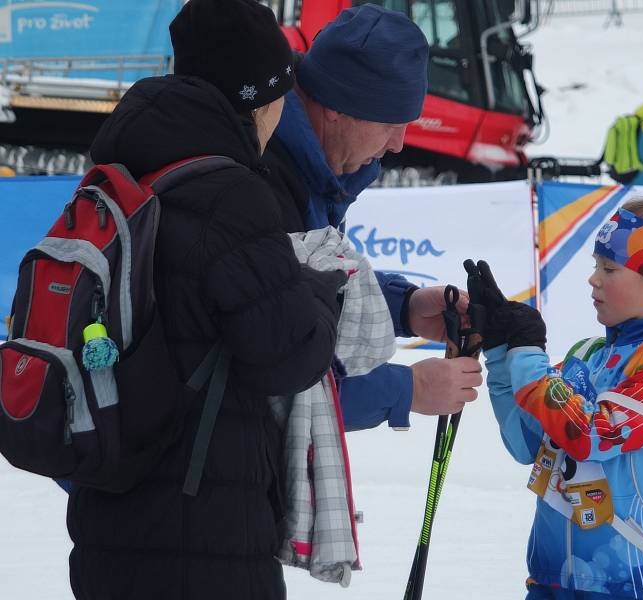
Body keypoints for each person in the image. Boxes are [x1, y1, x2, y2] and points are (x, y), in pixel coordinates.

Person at [67, 1, 345, 598]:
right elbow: (289, 356)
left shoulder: (117, 173)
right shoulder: (233, 196)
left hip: (104, 529)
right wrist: (320, 292)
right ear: (260, 100)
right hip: (206, 538)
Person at [472, 198, 643, 599]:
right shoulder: (587, 354)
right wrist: (498, 350)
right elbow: (526, 441)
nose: (593, 279)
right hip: (550, 581)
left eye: (609, 268)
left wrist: (528, 354)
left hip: (628, 586)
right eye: (595, 265)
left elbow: (590, 435)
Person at [262, 3, 482, 432]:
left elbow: (309, 292)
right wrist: (405, 390)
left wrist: (405, 308)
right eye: (389, 124)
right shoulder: (264, 182)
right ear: (335, 108)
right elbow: (268, 373)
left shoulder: (315, 169)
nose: (399, 145)